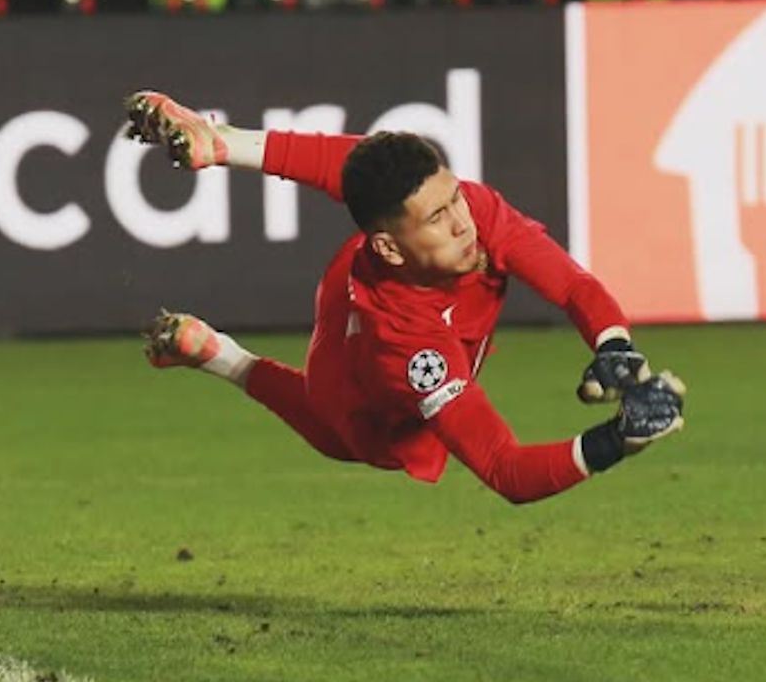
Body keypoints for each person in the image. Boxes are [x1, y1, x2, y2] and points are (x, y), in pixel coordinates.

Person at [126, 91, 686, 505]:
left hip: (375, 274)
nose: (463, 223)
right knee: (339, 434)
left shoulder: (474, 212)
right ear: (391, 249)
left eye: (455, 198)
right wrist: (618, 438)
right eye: (440, 217)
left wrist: (614, 346)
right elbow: (505, 469)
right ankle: (223, 356)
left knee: (375, 172)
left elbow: (574, 285)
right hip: (355, 378)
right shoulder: (413, 348)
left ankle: (222, 142)